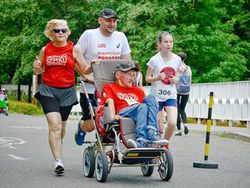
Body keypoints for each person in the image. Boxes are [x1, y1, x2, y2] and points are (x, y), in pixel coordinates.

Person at [33, 19, 92, 175]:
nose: (60, 33)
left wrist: (93, 66)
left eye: (63, 30)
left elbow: (84, 69)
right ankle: (58, 161)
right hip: (48, 90)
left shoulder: (75, 49)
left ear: (68, 32)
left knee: (62, 128)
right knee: (55, 126)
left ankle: (57, 141)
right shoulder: (45, 50)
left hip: (67, 91)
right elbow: (39, 71)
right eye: (56, 31)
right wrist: (36, 68)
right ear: (51, 34)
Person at [75, 8, 131, 146]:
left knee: (110, 120)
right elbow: (75, 57)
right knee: (92, 124)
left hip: (113, 89)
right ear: (100, 20)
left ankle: (107, 153)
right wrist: (86, 75)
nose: (112, 23)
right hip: (91, 88)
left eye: (114, 21)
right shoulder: (89, 35)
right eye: (108, 20)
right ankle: (81, 127)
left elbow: (127, 62)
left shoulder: (121, 37)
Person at [102, 62, 168, 148]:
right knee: (143, 106)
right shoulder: (110, 87)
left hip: (140, 111)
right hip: (123, 112)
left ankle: (152, 132)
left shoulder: (137, 90)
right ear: (118, 75)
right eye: (129, 75)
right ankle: (141, 139)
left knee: (151, 98)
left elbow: (148, 106)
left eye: (134, 75)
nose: (132, 79)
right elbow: (109, 101)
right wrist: (113, 116)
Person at [145, 31, 183, 142]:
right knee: (159, 127)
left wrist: (175, 79)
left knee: (172, 122)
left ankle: (164, 143)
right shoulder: (154, 60)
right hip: (156, 97)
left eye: (171, 42)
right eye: (165, 42)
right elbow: (147, 78)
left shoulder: (177, 59)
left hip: (170, 95)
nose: (168, 44)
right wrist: (156, 78)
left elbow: (178, 75)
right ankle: (157, 146)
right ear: (160, 44)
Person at [175, 52, 192, 136]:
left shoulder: (177, 67)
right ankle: (185, 124)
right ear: (184, 59)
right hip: (186, 91)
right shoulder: (188, 68)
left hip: (177, 90)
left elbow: (175, 78)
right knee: (182, 110)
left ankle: (179, 130)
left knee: (177, 111)